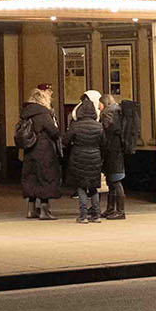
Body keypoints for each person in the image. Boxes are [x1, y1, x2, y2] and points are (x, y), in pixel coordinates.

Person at [16, 83, 63, 219]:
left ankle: (31, 210)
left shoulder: (26, 113)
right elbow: (54, 132)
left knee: (31, 177)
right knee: (46, 177)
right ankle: (44, 211)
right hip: (44, 150)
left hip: (30, 149)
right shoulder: (43, 113)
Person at [63, 90, 106, 223]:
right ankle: (97, 215)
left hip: (79, 156)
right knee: (93, 187)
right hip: (95, 157)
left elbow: (65, 141)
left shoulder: (75, 126)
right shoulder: (99, 126)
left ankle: (83, 216)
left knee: (81, 186)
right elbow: (104, 143)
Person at [99, 96, 134, 219]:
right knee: (112, 181)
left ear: (104, 103)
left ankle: (119, 211)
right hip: (118, 151)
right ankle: (112, 209)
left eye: (100, 104)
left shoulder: (107, 114)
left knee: (115, 181)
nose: (98, 107)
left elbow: (105, 134)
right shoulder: (118, 113)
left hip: (112, 152)